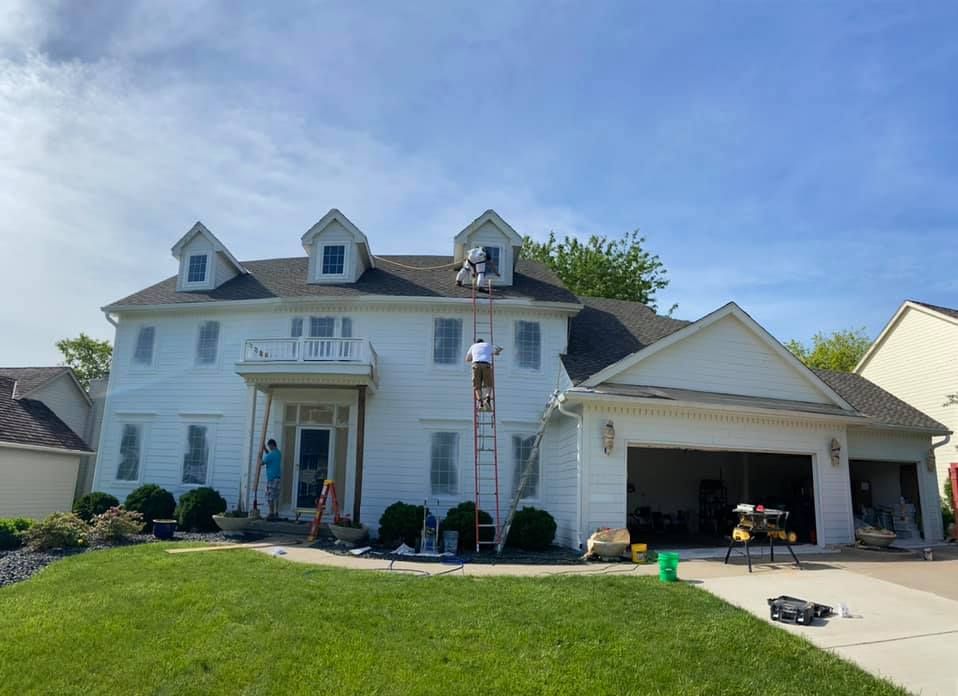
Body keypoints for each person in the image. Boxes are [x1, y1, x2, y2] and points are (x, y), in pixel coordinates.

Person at [465, 338, 502, 410]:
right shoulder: (487, 345)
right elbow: (497, 352)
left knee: (477, 385)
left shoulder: (473, 346)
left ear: (477, 343)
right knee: (488, 384)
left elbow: (467, 359)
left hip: (476, 365)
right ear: (483, 342)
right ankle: (488, 398)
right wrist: (495, 352)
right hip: (486, 365)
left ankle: (480, 403)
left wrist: (475, 356)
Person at [262, 438, 282, 520]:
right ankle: (276, 513)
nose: (269, 448)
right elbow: (269, 456)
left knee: (269, 496)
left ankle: (271, 513)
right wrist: (265, 450)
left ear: (272, 445)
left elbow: (262, 462)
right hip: (277, 478)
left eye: (269, 446)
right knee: (276, 496)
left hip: (271, 479)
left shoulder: (271, 455)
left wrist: (259, 457)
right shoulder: (278, 453)